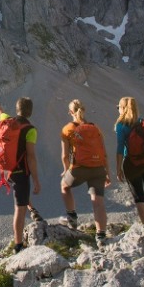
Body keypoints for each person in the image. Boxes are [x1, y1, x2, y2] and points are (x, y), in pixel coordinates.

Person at [0, 89, 39, 253]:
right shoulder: (30, 130)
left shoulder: (7, 120)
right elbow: (31, 157)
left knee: (21, 197)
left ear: (17, 110)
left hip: (7, 169)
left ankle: (32, 209)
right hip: (21, 171)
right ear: (30, 112)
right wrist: (36, 180)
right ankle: (18, 245)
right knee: (19, 208)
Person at [59, 99, 111, 246]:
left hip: (79, 169)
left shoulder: (67, 129)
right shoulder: (95, 128)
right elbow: (104, 152)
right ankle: (101, 236)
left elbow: (64, 156)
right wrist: (107, 173)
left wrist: (66, 170)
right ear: (84, 110)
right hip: (98, 168)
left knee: (64, 186)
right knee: (98, 202)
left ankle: (72, 216)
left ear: (70, 112)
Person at [115, 96, 144, 223]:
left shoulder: (121, 125)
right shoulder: (143, 123)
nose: (118, 110)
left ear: (123, 108)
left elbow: (119, 148)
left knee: (139, 198)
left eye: (119, 107)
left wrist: (118, 169)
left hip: (131, 164)